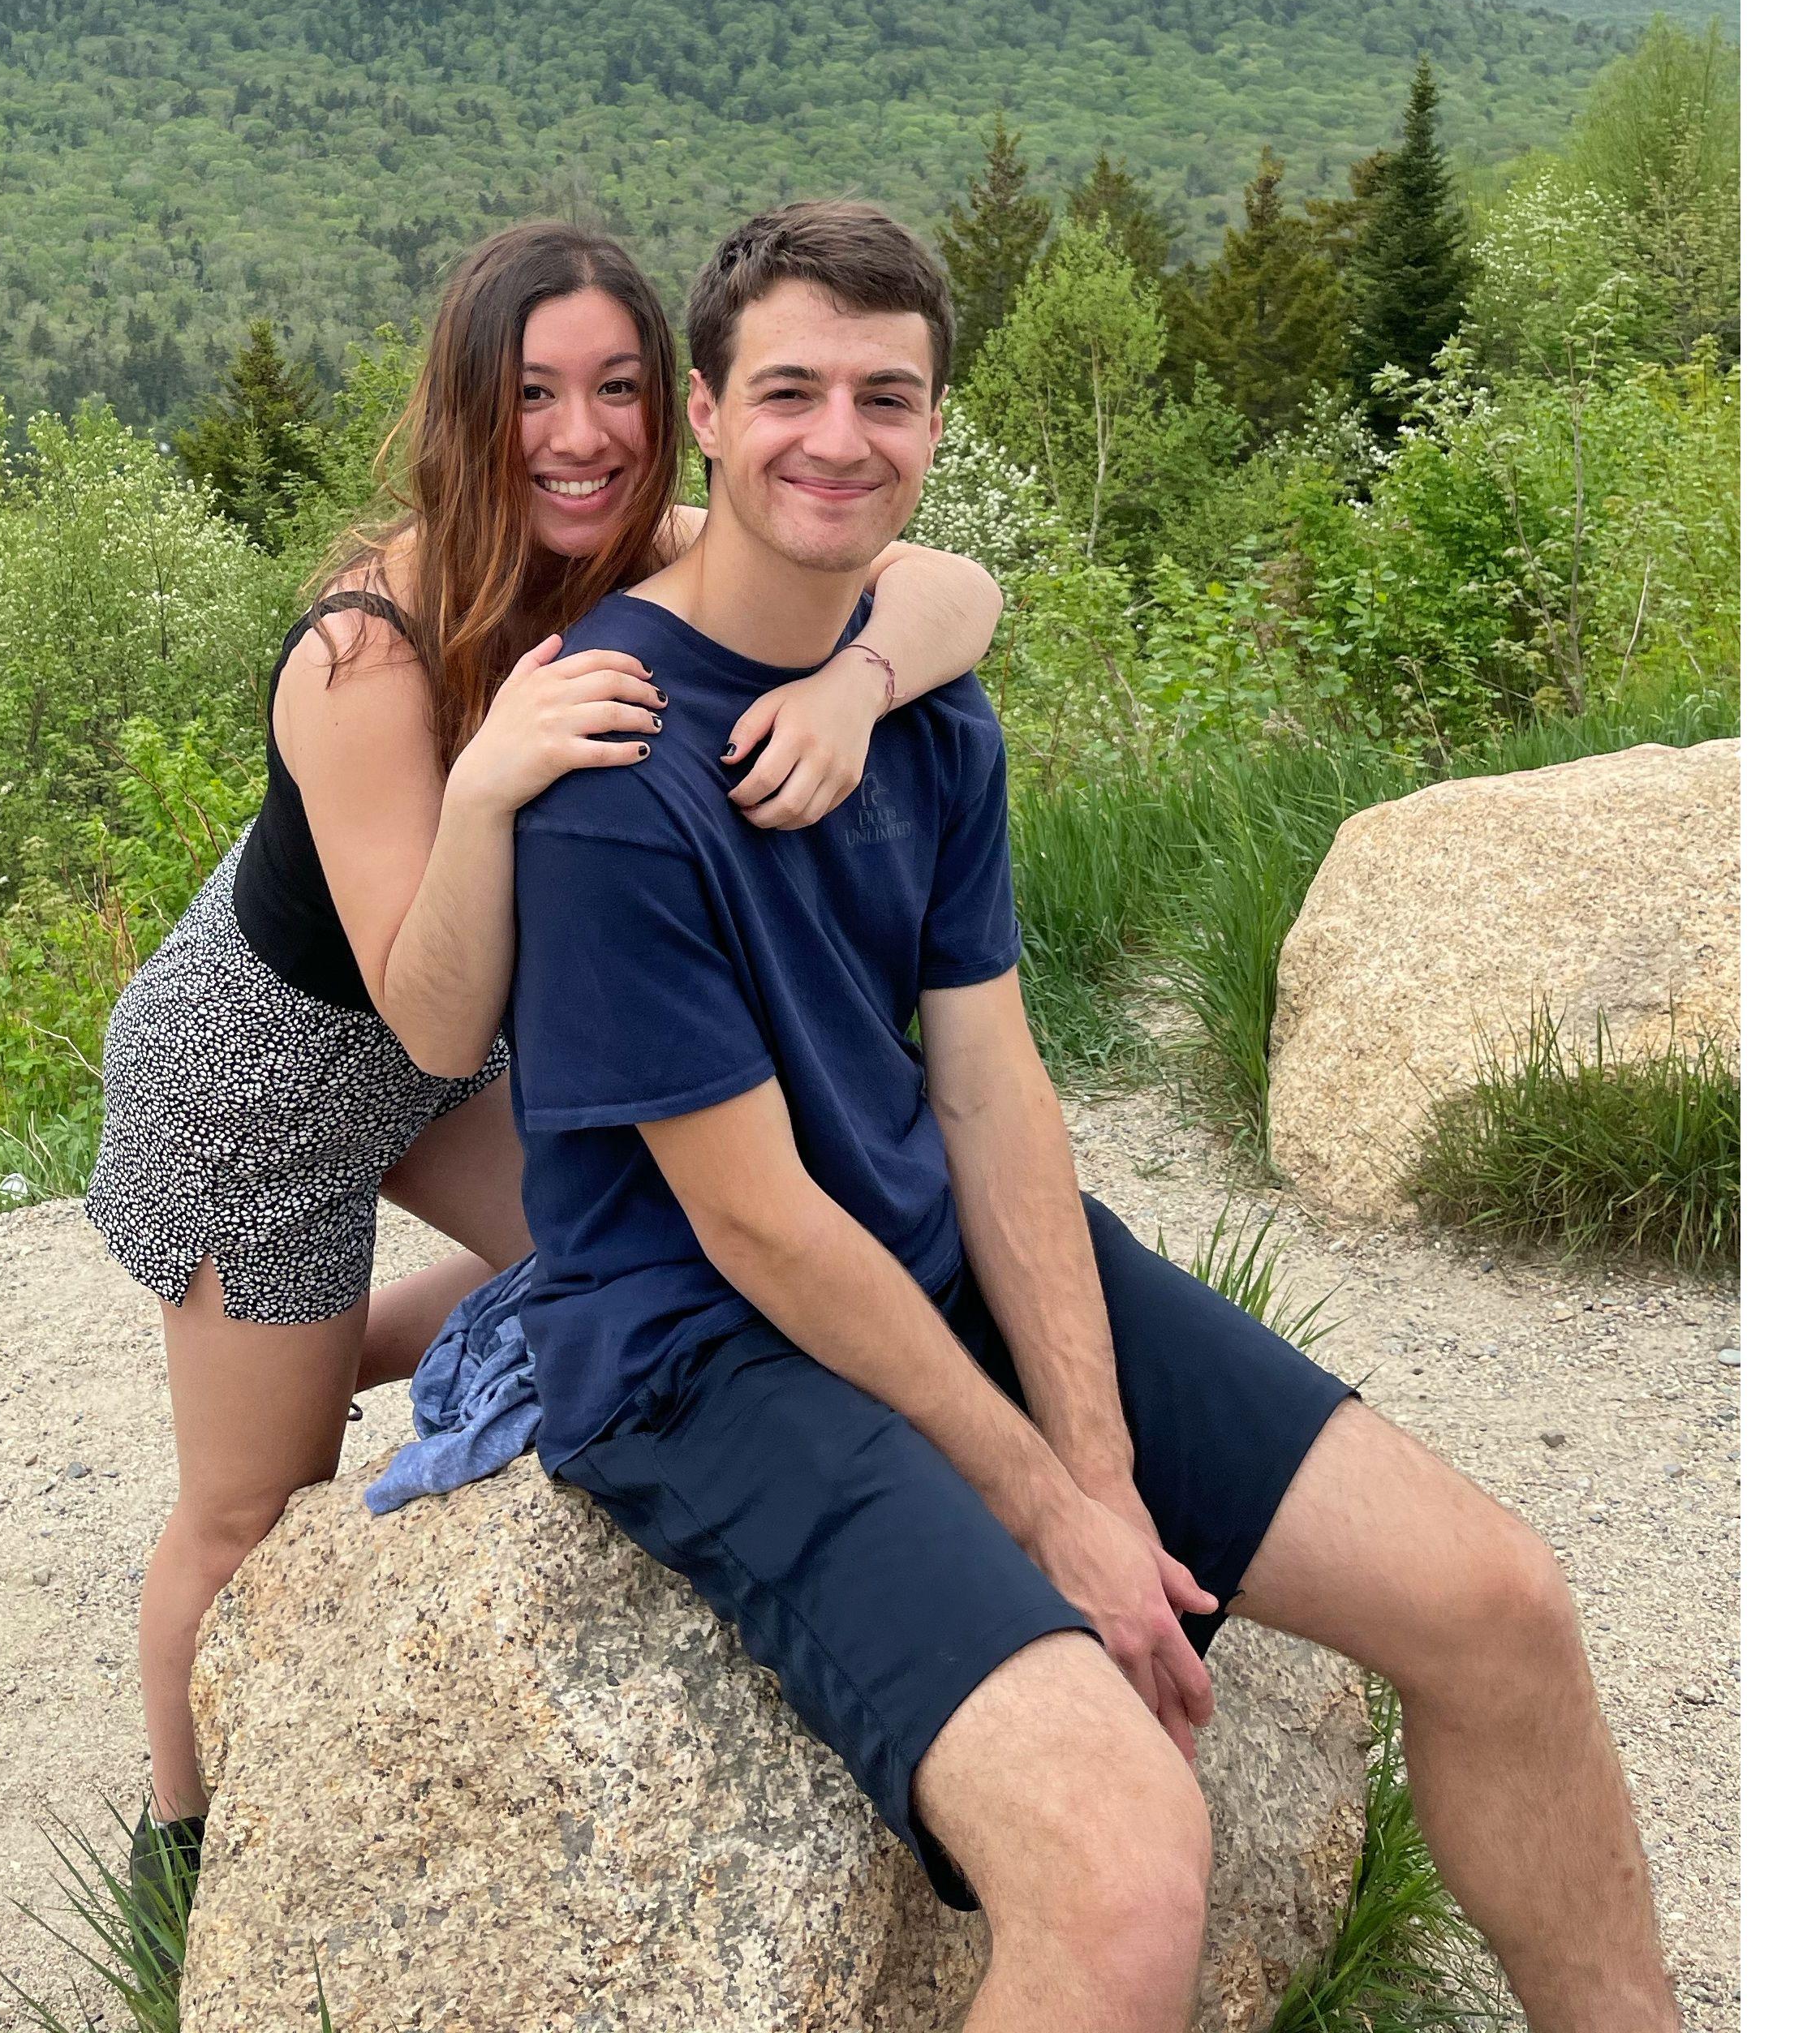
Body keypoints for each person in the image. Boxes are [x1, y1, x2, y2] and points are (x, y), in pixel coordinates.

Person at [509, 201, 1681, 2033]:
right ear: (707, 416)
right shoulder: (611, 769)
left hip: (922, 1256)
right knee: (1126, 1874)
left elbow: (990, 1088)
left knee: (1501, 1606)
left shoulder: (922, 713)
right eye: (791, 390)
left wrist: (1109, 1468)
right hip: (700, 1348)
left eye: (888, 397)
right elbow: (755, 1224)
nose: (839, 437)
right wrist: (1045, 1505)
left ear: (938, 427)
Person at [83, 217, 1006, 1919]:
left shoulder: (638, 544)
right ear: (464, 410)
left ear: (674, 407)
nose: (578, 436)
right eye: (530, 395)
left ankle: (315, 1347)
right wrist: (493, 779)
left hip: (439, 1055)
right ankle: (181, 1852)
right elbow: (427, 1017)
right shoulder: (363, 656)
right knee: (247, 1501)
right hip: (263, 1081)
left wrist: (859, 686)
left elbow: (956, 589)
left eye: (617, 389)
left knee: (666, 1254)